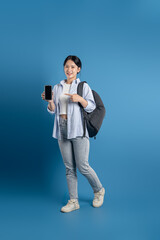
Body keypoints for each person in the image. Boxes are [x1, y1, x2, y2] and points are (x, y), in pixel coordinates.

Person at [41, 55, 105, 213]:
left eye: (72, 67)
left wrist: (80, 99)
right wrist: (49, 102)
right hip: (62, 128)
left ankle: (99, 190)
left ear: (78, 69)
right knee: (69, 168)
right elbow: (53, 110)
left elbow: (91, 107)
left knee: (83, 166)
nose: (69, 70)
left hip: (78, 129)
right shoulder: (57, 87)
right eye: (66, 66)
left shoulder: (83, 86)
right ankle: (73, 201)